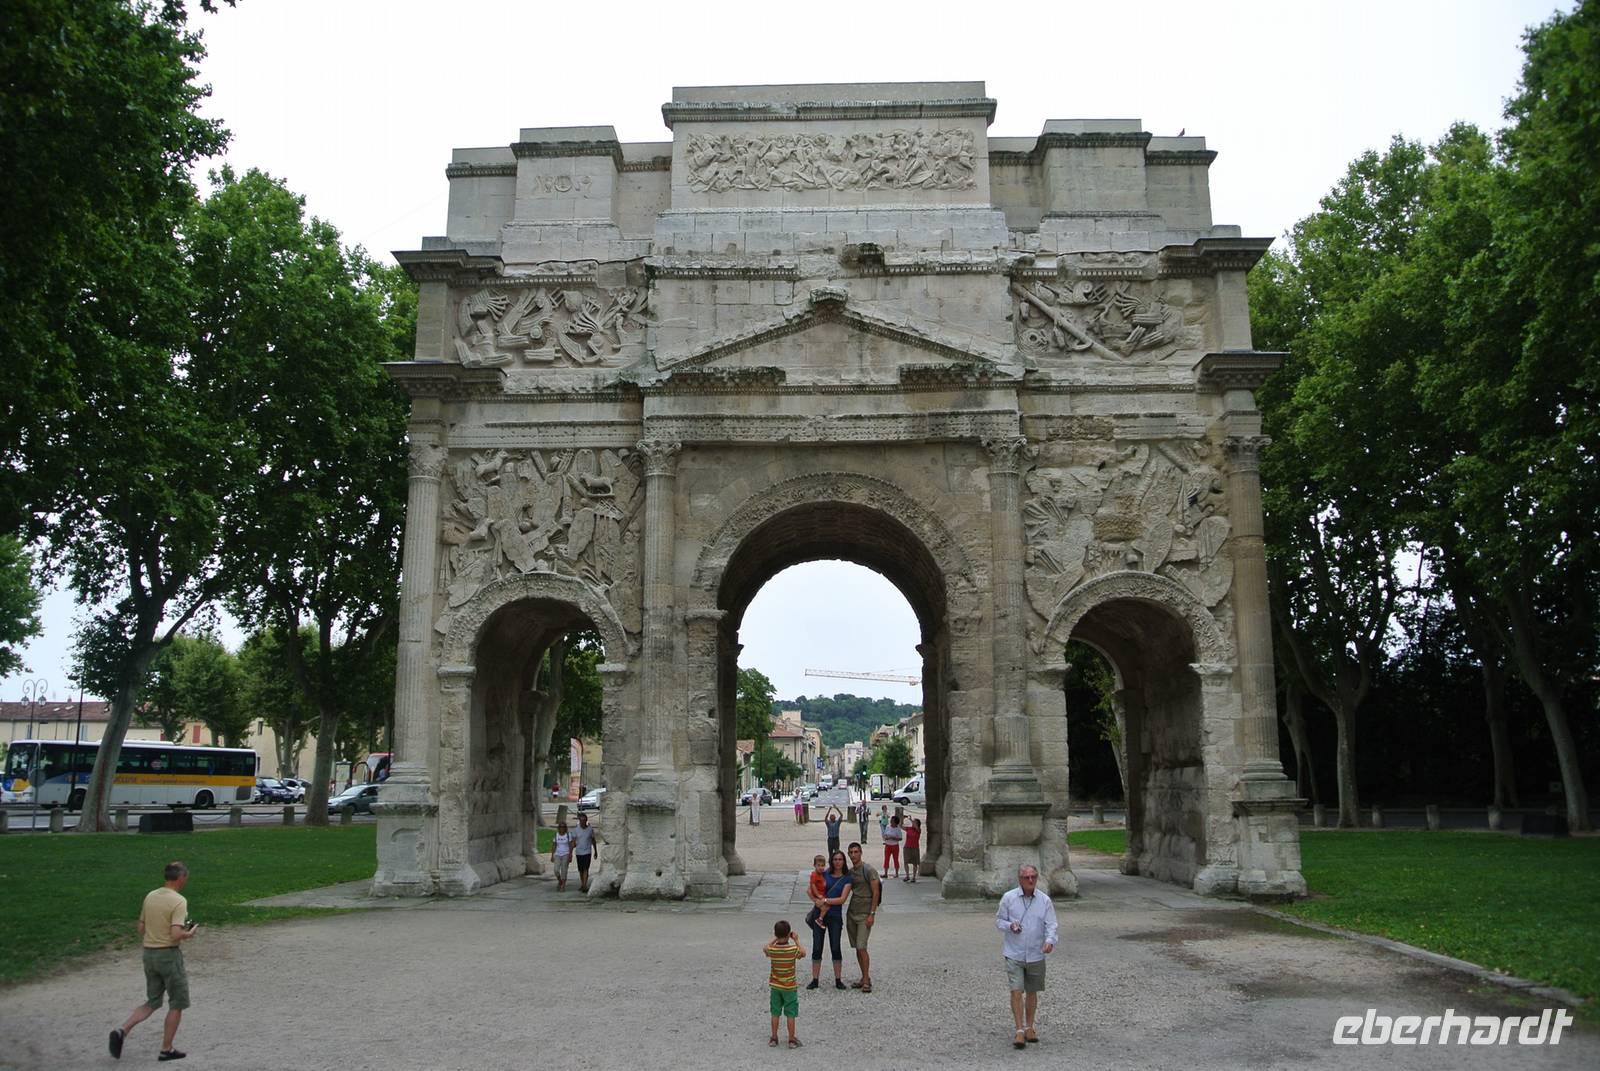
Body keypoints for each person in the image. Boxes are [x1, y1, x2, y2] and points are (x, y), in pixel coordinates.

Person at [109, 861, 199, 1062]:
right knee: (177, 1002)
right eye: (186, 877)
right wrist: (189, 933)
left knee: (152, 1001)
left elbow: (141, 928)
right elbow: (175, 934)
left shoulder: (151, 896)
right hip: (168, 955)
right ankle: (166, 1049)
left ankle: (122, 1029)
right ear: (181, 877)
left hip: (149, 954)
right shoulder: (178, 901)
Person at [996, 863, 1059, 1048]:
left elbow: (1052, 924)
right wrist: (1010, 926)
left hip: (1035, 953)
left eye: (1033, 877)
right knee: (1016, 991)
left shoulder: (1044, 900)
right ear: (1019, 879)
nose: (1030, 880)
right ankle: (1019, 1030)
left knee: (1032, 992)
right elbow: (999, 921)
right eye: (1026, 877)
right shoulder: (1009, 898)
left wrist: (1050, 941)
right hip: (1014, 952)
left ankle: (1030, 1026)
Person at [806, 849, 851, 991]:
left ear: (844, 862)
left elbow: (842, 899)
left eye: (840, 859)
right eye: (835, 859)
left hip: (835, 916)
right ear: (831, 861)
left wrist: (824, 900)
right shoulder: (823, 873)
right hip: (820, 914)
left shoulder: (847, 879)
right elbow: (810, 889)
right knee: (817, 946)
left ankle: (838, 979)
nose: (837, 862)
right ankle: (815, 979)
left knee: (836, 947)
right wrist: (815, 901)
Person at [844, 841, 881, 992]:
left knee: (861, 946)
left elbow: (876, 892)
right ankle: (864, 976)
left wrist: (872, 914)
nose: (853, 855)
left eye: (856, 852)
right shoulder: (851, 872)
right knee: (857, 948)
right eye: (851, 852)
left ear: (860, 853)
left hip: (865, 913)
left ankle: (866, 980)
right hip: (852, 912)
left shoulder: (869, 870)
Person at [764, 920, 804, 1048]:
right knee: (790, 1013)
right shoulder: (792, 949)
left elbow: (765, 949)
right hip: (790, 987)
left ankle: (774, 1038)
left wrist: (775, 939)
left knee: (775, 1012)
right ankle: (791, 1039)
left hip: (775, 986)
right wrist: (796, 940)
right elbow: (803, 953)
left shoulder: (773, 949)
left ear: (776, 934)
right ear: (788, 935)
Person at [571, 811, 599, 893]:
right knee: (581, 869)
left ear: (586, 820)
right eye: (581, 820)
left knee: (586, 868)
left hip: (587, 852)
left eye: (584, 820)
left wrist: (595, 851)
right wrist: (570, 852)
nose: (582, 822)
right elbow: (573, 841)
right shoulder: (576, 830)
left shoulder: (590, 829)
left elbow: (593, 840)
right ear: (579, 821)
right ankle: (582, 883)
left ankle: (584, 885)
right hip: (579, 852)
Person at [803, 854, 827, 935]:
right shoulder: (814, 875)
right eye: (819, 865)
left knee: (825, 907)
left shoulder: (822, 874)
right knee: (824, 908)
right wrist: (817, 895)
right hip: (818, 895)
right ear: (814, 865)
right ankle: (819, 919)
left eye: (823, 865)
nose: (821, 867)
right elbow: (812, 885)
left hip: (821, 894)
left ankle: (818, 918)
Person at [550, 820, 574, 892]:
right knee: (556, 870)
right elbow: (554, 845)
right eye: (560, 827)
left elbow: (570, 845)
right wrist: (552, 855)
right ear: (558, 828)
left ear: (565, 828)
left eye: (563, 827)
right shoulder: (556, 835)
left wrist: (570, 854)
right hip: (557, 854)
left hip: (565, 854)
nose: (562, 828)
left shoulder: (568, 835)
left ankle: (563, 885)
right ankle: (559, 880)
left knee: (564, 870)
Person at [902, 817, 922, 883]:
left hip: (915, 848)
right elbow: (901, 826)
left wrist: (911, 821)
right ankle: (907, 875)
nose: (913, 823)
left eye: (914, 822)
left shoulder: (918, 830)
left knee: (915, 863)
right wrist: (902, 818)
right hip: (907, 847)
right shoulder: (909, 828)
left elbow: (917, 828)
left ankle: (914, 877)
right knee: (906, 862)